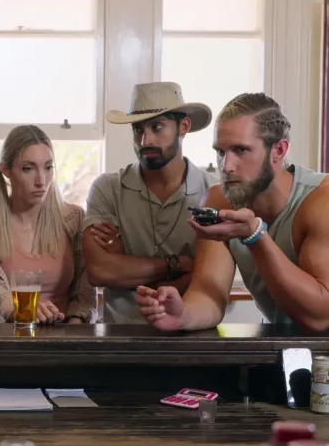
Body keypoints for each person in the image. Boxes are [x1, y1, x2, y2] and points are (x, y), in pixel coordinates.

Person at [136, 93, 329, 332]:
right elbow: (209, 294)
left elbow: (319, 318)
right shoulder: (219, 201)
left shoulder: (321, 201)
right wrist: (183, 315)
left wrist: (256, 237)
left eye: (241, 150)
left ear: (278, 150)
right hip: (284, 346)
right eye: (221, 152)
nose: (226, 166)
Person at [82, 82, 217, 323]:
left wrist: (126, 266)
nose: (145, 140)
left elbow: (210, 277)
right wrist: (179, 264)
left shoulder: (214, 193)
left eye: (157, 127)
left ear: (184, 127)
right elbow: (100, 271)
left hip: (191, 333)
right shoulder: (107, 188)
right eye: (138, 129)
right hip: (119, 336)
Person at [0, 125, 94, 324]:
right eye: (28, 169)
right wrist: (23, 312)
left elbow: (85, 290)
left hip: (66, 333)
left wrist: (74, 328)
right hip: (9, 332)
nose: (41, 180)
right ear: (6, 170)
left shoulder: (73, 219)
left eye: (48, 168)